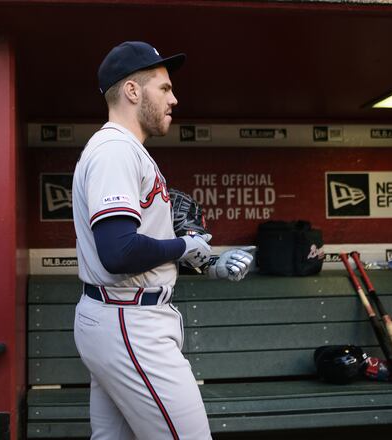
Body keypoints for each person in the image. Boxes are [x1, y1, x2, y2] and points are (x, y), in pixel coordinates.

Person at [72, 41, 251, 440]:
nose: (174, 98)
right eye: (164, 88)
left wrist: (205, 263)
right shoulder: (115, 150)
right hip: (129, 321)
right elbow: (119, 251)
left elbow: (142, 242)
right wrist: (185, 247)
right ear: (133, 92)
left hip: (119, 315)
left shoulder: (122, 150)